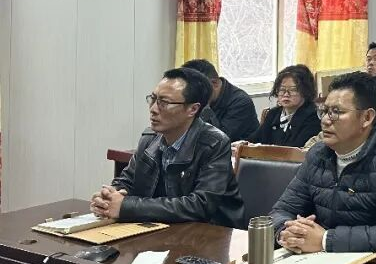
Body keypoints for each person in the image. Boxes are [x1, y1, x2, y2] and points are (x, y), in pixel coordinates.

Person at [271, 71, 376, 258]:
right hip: (327, 260)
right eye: (324, 111)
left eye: (336, 112)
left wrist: (325, 239)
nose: (325, 120)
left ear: (366, 118)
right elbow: (281, 211)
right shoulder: (318, 154)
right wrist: (287, 233)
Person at [91, 68, 244, 228]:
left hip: (210, 233)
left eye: (164, 103)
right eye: (153, 99)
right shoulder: (149, 138)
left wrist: (126, 206)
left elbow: (200, 205)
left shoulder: (214, 143)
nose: (153, 109)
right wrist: (109, 197)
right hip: (161, 229)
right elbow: (127, 181)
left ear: (192, 109)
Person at [181, 59, 258, 142]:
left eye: (196, 88)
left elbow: (219, 140)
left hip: (239, 149)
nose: (192, 93)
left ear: (214, 83)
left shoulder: (241, 102)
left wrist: (204, 106)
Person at [249, 64, 321, 147]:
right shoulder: (273, 114)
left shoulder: (313, 117)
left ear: (305, 91)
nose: (286, 94)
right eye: (282, 89)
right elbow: (253, 140)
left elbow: (296, 149)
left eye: (293, 90)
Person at [303, 101, 376, 149]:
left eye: (338, 111)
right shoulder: (339, 123)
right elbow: (314, 143)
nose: (325, 120)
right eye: (326, 111)